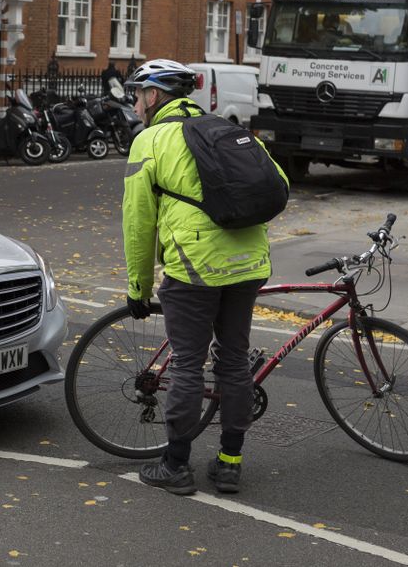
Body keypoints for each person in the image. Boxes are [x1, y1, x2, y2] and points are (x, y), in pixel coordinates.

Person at [121, 58, 287, 497]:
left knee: (188, 364)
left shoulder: (151, 140)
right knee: (233, 361)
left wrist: (137, 288)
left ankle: (175, 465)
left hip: (194, 267)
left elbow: (138, 223)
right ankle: (229, 464)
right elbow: (279, 183)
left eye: (138, 96)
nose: (136, 105)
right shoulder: (227, 129)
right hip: (249, 261)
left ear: (154, 96)